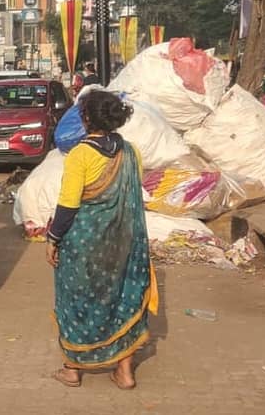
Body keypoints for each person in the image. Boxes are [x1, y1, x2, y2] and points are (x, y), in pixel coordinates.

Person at [46, 90, 157, 390]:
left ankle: (72, 368)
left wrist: (53, 238)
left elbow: (68, 204)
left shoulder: (80, 154)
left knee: (76, 300)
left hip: (84, 245)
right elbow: (133, 198)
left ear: (85, 118)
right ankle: (124, 371)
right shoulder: (131, 152)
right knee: (123, 298)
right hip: (123, 244)